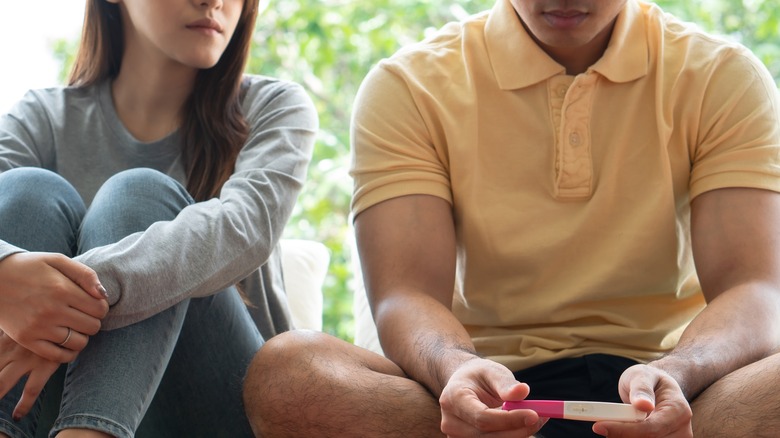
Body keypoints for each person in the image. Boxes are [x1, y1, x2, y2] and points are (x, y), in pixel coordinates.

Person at [242, 0, 780, 437]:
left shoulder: (722, 75)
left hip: (679, 399)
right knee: (290, 373)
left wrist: (676, 374)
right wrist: (458, 373)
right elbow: (404, 293)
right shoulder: (409, 85)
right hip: (483, 399)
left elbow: (754, 286)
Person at [0, 0, 317, 436]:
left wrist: (57, 300)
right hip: (47, 408)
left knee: (138, 195)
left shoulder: (273, 107)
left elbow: (244, 229)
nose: (213, 1)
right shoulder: (43, 117)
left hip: (218, 405)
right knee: (25, 192)